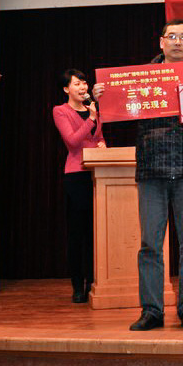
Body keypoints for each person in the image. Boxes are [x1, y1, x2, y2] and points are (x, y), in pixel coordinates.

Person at [94, 19, 183, 331]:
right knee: (150, 245)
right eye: (171, 36)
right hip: (151, 170)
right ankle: (152, 311)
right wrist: (103, 96)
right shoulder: (139, 79)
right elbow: (117, 112)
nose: (177, 41)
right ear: (161, 42)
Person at [53, 69, 106, 303]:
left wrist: (103, 144)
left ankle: (92, 282)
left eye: (84, 83)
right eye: (77, 84)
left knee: (95, 233)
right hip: (76, 175)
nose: (83, 87)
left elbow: (98, 137)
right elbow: (73, 141)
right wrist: (91, 119)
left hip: (98, 174)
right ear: (66, 89)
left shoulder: (93, 109)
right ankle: (77, 285)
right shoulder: (60, 111)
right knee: (77, 233)